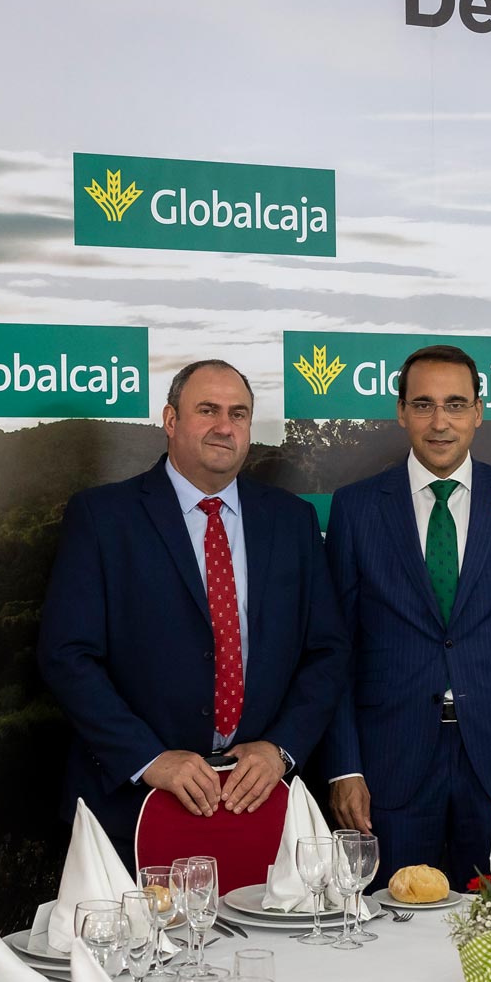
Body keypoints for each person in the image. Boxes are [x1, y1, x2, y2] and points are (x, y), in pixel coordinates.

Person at [38, 359, 348, 860]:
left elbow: (327, 651)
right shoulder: (103, 517)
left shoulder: (292, 521)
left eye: (239, 413)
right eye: (207, 410)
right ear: (170, 420)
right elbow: (67, 655)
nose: (225, 426)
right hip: (135, 806)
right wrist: (149, 759)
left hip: (262, 802)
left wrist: (281, 749)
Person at [323, 345, 491, 884]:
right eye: (423, 404)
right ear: (401, 412)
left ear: (480, 412)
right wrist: (345, 764)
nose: (440, 422)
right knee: (389, 933)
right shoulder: (356, 506)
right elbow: (334, 649)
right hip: (388, 767)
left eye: (456, 404)